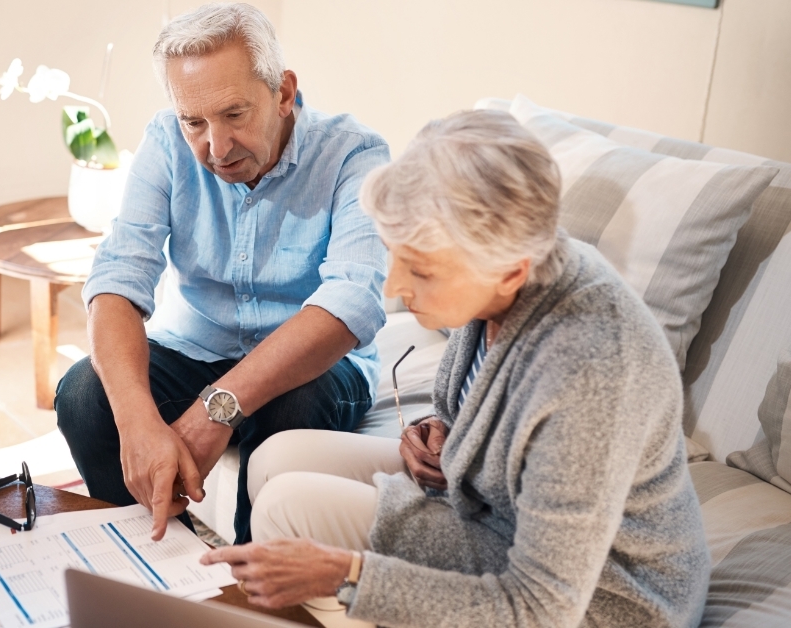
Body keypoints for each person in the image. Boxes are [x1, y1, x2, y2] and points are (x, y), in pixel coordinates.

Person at [201, 110, 712, 627]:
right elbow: (486, 409)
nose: (394, 286)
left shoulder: (591, 370)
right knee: (274, 458)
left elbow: (542, 608)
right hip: (491, 507)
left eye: (420, 270)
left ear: (510, 270)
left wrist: (348, 574)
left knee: (290, 506)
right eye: (396, 257)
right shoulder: (504, 278)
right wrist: (440, 430)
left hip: (602, 598)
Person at [55, 3, 389, 544]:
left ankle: (248, 585)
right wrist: (140, 424)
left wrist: (214, 412)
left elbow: (350, 304)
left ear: (282, 93)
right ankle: (153, 561)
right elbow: (117, 277)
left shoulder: (355, 155)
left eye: (235, 114)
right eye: (195, 122)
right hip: (191, 347)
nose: (216, 146)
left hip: (315, 369)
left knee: (293, 405)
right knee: (83, 393)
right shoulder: (165, 142)